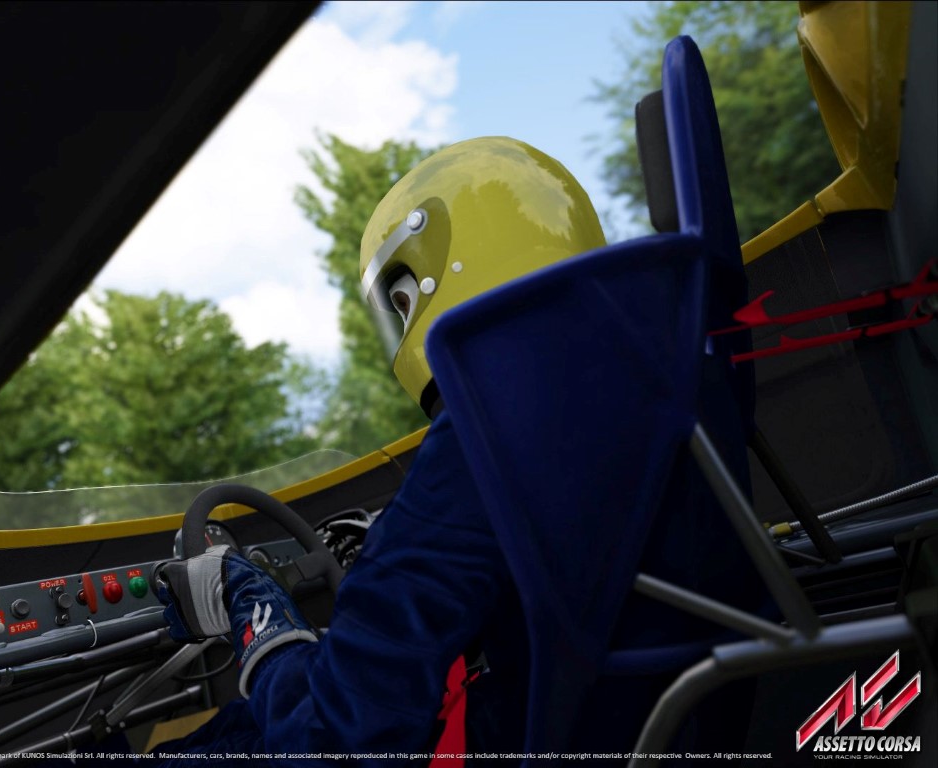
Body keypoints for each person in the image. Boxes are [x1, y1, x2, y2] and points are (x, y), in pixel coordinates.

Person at [153, 136, 766, 762]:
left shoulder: (490, 430)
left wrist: (254, 610)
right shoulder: (677, 383)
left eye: (397, 303)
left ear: (434, 275)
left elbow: (333, 741)